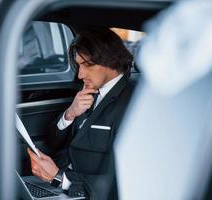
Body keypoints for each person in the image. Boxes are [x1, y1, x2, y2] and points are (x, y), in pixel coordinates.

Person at [27, 27, 135, 199]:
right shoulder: (87, 91)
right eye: (78, 65)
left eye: (88, 65)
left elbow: (121, 180)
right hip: (58, 186)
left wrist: (59, 179)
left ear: (111, 60)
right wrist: (69, 114)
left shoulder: (132, 102)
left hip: (84, 192)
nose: (80, 74)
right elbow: (52, 140)